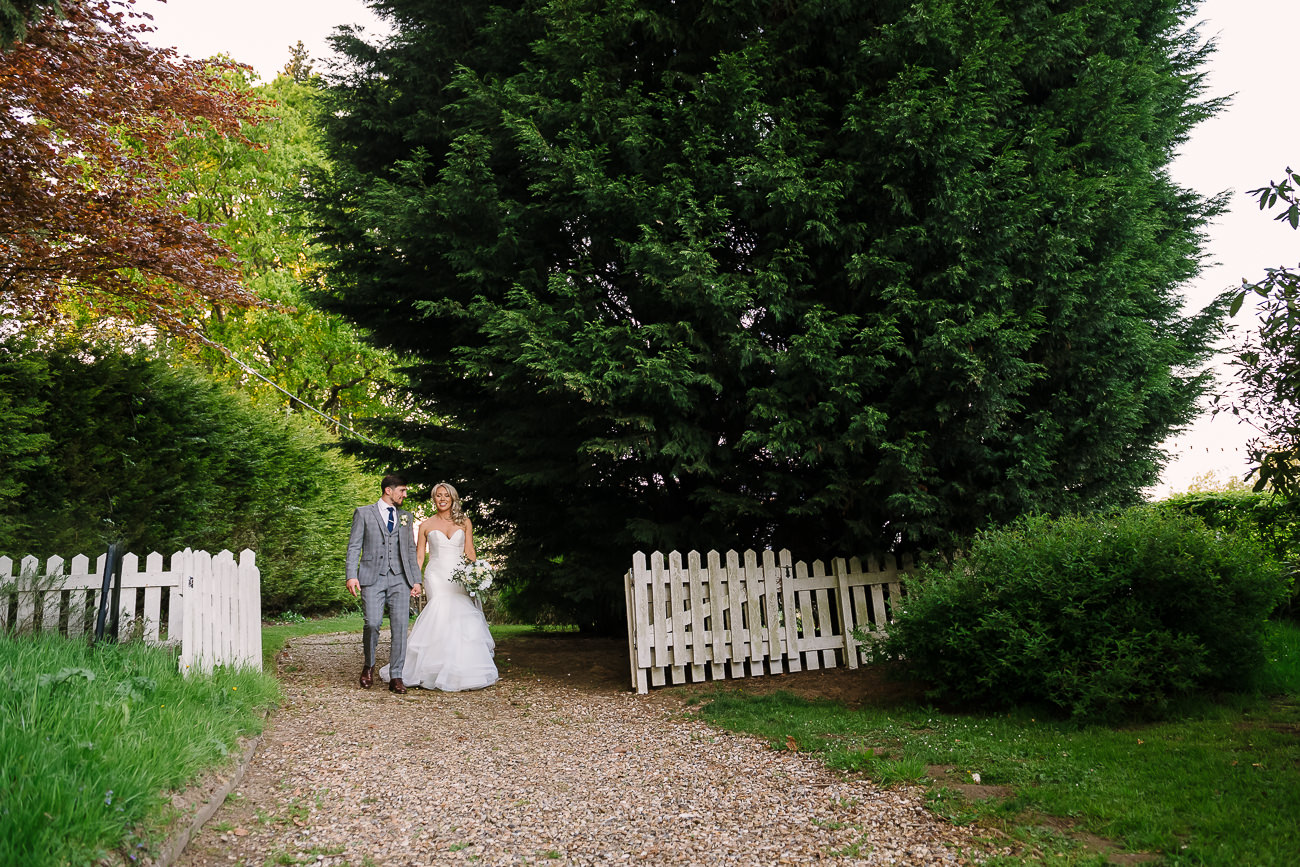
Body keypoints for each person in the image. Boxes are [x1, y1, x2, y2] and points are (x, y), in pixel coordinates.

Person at [381, 482, 498, 691]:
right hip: (436, 575)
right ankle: (431, 668)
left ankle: (459, 668)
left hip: (459, 575)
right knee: (440, 610)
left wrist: (477, 572)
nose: (442, 499)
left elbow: (470, 552)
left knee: (460, 614)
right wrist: (414, 580)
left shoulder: (465, 522)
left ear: (453, 498)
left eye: (446, 495)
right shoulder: (426, 525)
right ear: (433, 499)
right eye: (438, 495)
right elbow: (419, 556)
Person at [345, 474, 424, 694]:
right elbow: (354, 547)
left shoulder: (406, 517)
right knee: (372, 622)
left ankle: (396, 675)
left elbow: (410, 550)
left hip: (400, 578)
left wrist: (415, 579)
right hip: (372, 577)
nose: (405, 495)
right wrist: (351, 575)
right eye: (402, 490)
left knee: (400, 627)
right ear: (388, 490)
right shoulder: (363, 513)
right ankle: (368, 665)